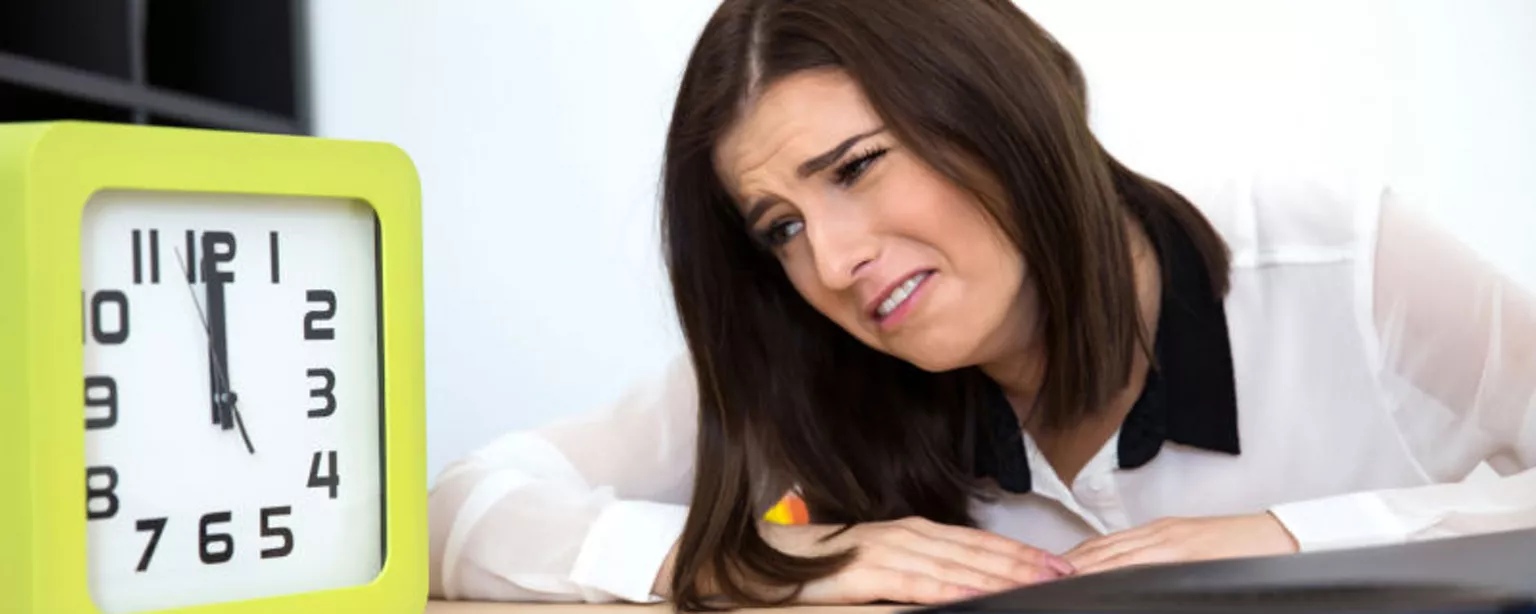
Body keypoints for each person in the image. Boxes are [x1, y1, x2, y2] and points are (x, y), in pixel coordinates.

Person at [428, 0, 1536, 609]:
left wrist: (1292, 538)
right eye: (781, 228)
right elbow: (461, 507)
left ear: (997, 111)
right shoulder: (805, 364)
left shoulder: (1337, 260)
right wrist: (767, 562)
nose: (833, 260)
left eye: (855, 167)